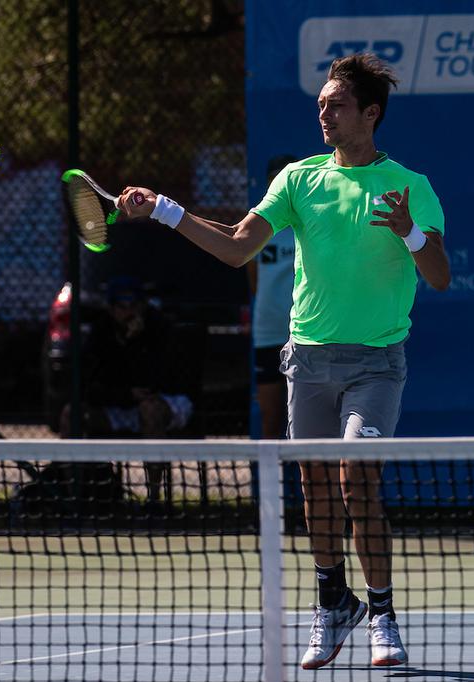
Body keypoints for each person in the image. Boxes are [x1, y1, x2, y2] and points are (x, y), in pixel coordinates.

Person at [115, 53, 450, 668]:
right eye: (320, 103)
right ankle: (332, 602)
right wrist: (165, 209)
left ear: (369, 113)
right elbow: (237, 248)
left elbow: (440, 276)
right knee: (315, 483)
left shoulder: (411, 186)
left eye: (336, 103)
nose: (323, 111)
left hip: (376, 364)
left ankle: (382, 614)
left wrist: (408, 232)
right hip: (308, 361)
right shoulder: (299, 179)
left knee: (356, 474)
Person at [59, 275, 193, 503]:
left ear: (143, 305)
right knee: (71, 414)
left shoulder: (160, 328)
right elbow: (90, 387)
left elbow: (162, 378)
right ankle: (73, 497)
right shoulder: (100, 333)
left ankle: (154, 499)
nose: (129, 312)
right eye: (122, 306)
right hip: (118, 404)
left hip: (165, 402)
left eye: (135, 305)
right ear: (111, 308)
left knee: (149, 410)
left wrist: (135, 345)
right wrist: (125, 394)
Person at [246, 155, 298, 440]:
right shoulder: (258, 226)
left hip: (307, 336)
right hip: (268, 334)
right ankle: (272, 485)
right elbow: (253, 280)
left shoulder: (310, 225)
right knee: (271, 418)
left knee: (306, 422)